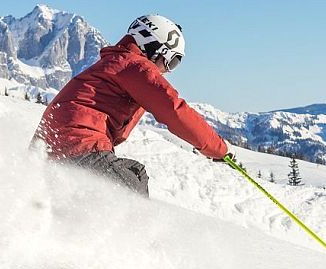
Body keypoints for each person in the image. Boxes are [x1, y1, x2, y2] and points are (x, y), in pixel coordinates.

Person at [32, 15, 229, 197]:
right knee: (132, 183)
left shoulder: (113, 63)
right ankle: (131, 233)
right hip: (80, 145)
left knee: (131, 174)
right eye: (171, 61)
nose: (167, 71)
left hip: (51, 149)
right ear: (154, 49)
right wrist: (219, 149)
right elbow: (174, 110)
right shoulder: (135, 67)